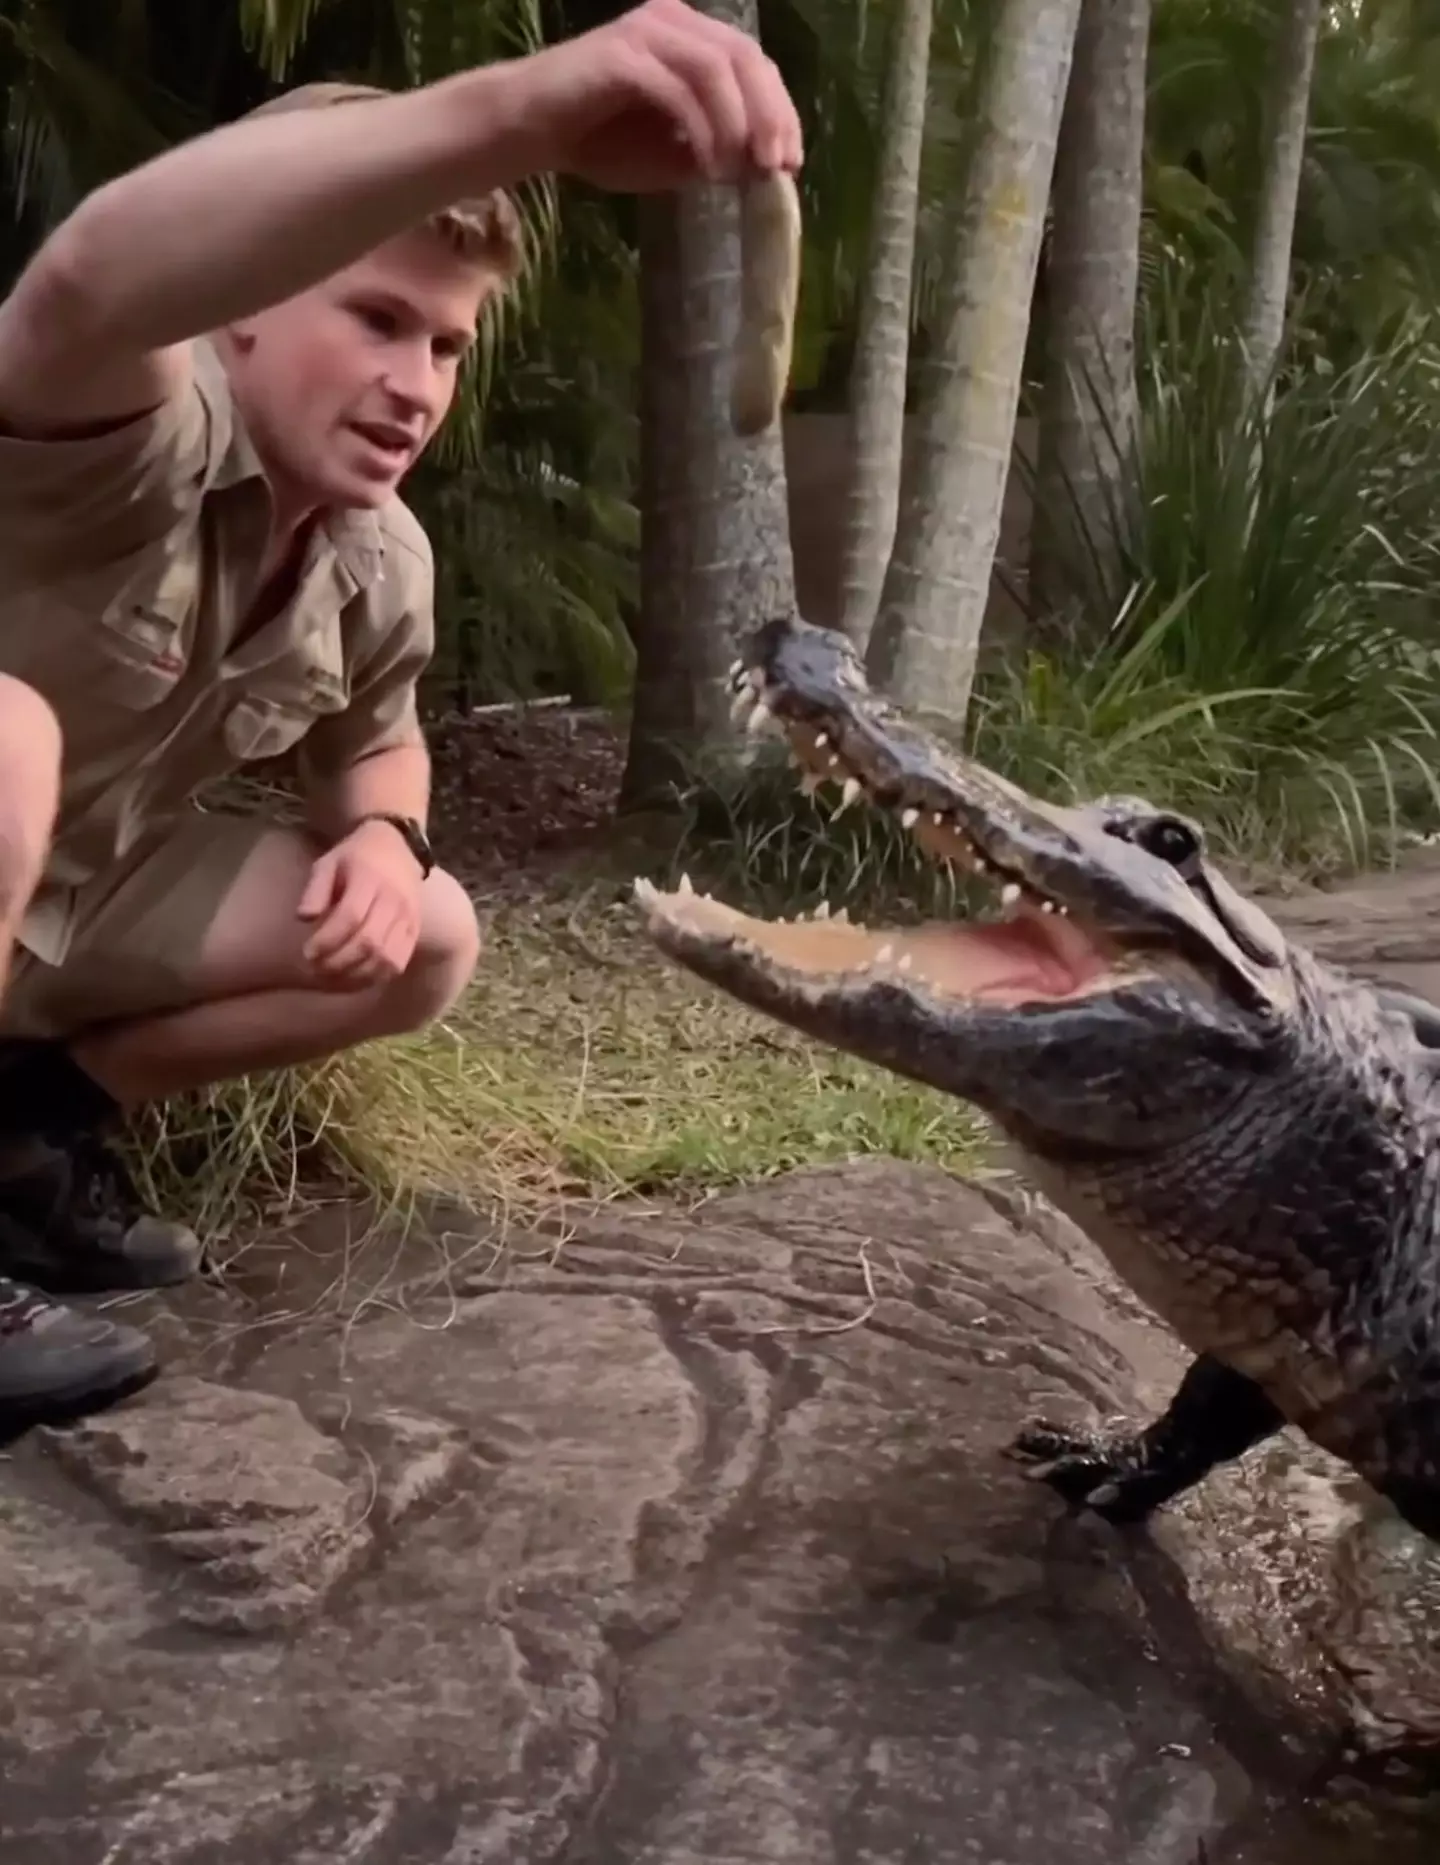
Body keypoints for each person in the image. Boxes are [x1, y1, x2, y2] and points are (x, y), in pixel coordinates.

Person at [0, 0, 805, 1431]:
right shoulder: (137, 427)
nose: (415, 386)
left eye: (442, 345)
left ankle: (34, 1136)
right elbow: (80, 285)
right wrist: (526, 110)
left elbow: (379, 740)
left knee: (425, 935)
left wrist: (385, 835)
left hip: (59, 918)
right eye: (375, 318)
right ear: (245, 297)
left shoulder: (377, 557)